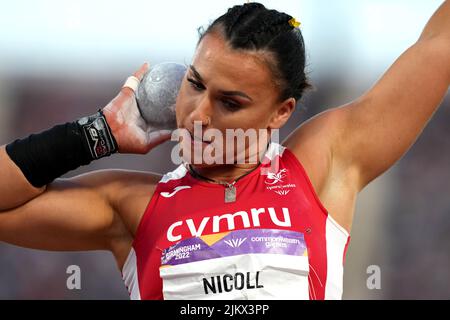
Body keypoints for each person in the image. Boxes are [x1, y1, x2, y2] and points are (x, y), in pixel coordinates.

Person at [0, 1, 449, 300]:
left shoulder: (321, 167)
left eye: (230, 103)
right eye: (194, 84)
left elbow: (439, 45)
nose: (197, 115)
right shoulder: (135, 208)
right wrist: (96, 133)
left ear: (281, 112)